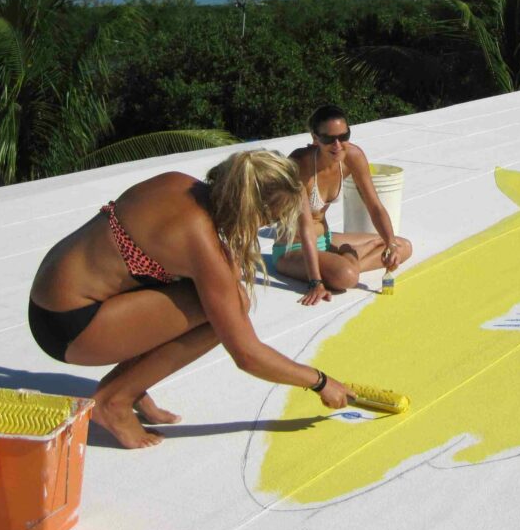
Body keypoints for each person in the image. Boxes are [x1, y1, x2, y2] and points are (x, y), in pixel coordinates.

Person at [28, 150, 354, 449]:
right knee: (225, 312)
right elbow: (246, 353)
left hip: (49, 299)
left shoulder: (178, 183)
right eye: (270, 219)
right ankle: (114, 402)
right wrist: (320, 382)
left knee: (218, 298)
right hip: (69, 327)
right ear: (254, 210)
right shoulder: (201, 243)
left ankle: (129, 385)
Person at [273, 105, 413, 305]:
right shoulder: (299, 163)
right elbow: (304, 227)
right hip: (294, 249)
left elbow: (375, 206)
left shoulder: (353, 156)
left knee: (403, 246)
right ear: (315, 138)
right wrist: (315, 281)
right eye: (329, 139)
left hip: (326, 239)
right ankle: (350, 257)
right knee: (347, 278)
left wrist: (390, 244)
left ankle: (349, 258)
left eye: (344, 136)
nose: (338, 145)